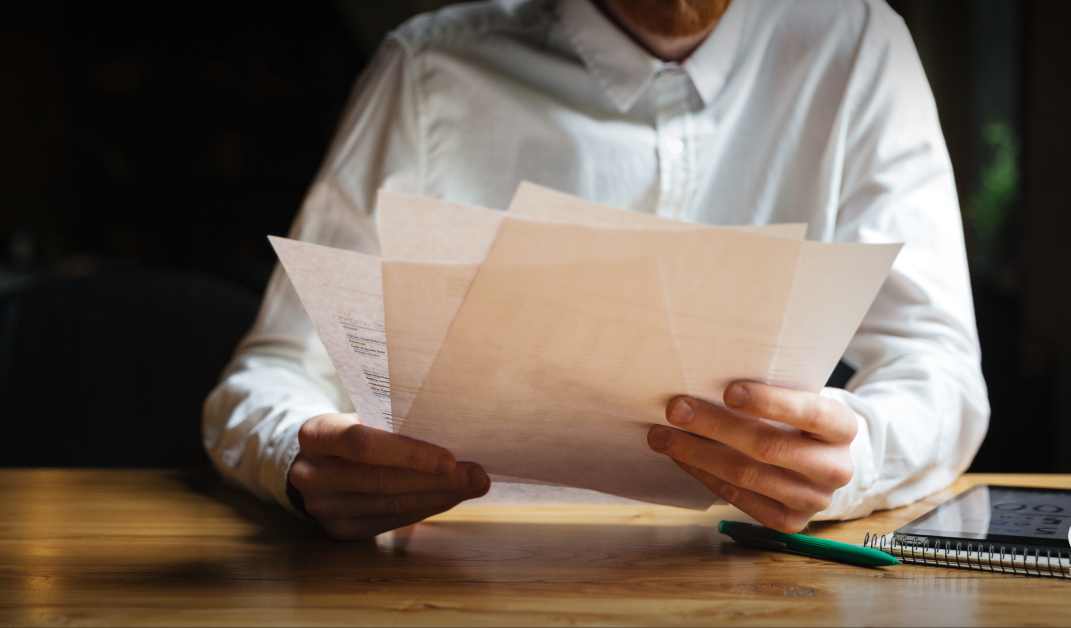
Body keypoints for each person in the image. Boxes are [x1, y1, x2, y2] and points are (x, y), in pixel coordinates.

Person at [204, 0, 989, 541]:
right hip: (457, 577)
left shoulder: (859, 48)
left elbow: (939, 367)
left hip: (755, 573)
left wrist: (852, 462)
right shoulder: (430, 69)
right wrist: (303, 463)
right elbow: (272, 374)